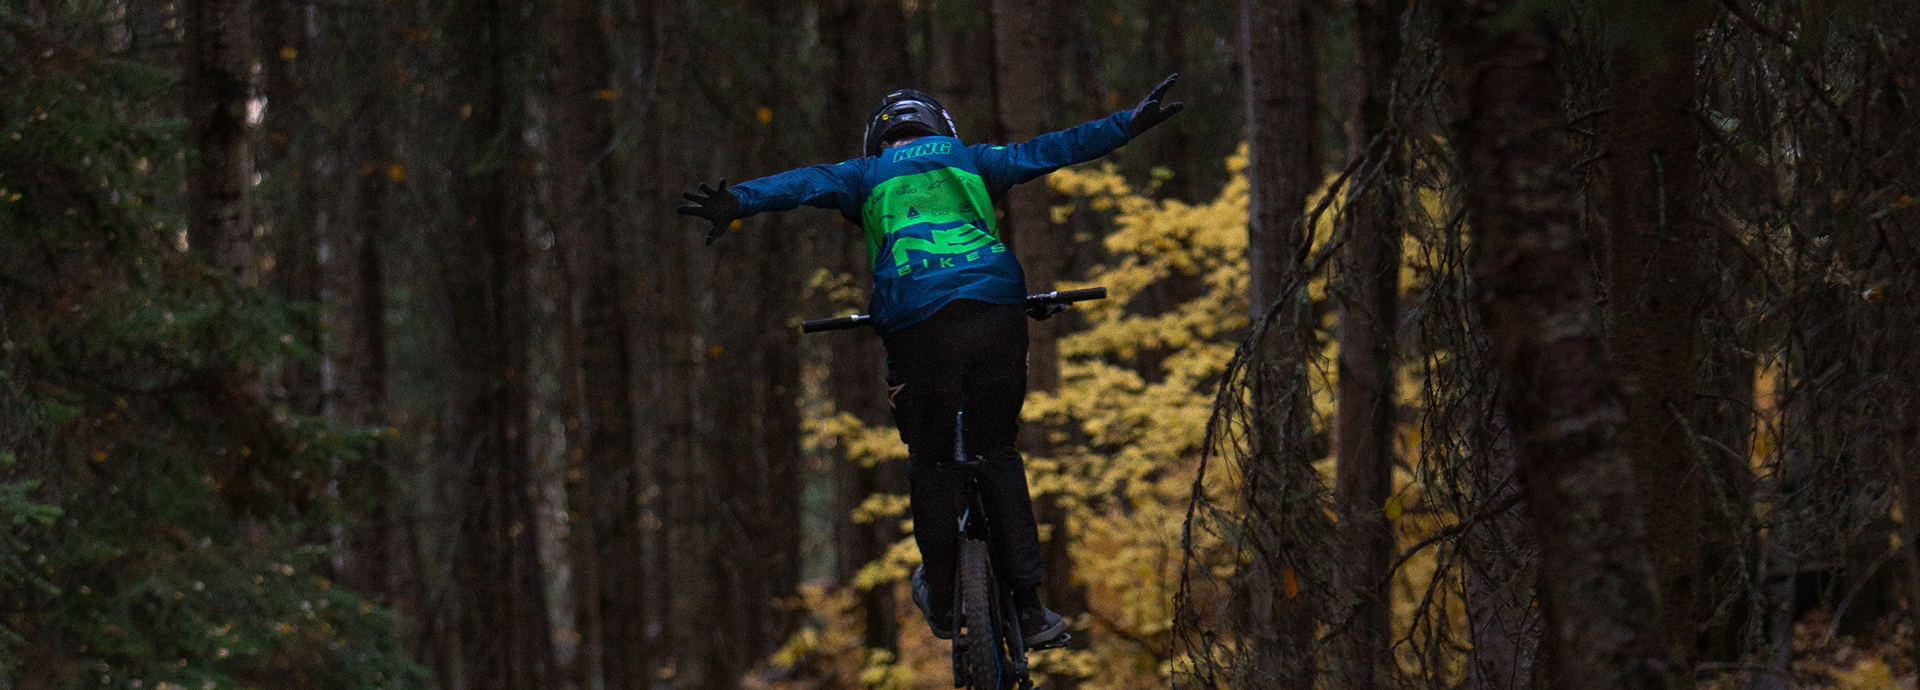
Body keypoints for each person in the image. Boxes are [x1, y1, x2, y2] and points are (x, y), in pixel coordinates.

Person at [678, 75, 1183, 647]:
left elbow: (799, 183)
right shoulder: (975, 161)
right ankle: (1031, 610)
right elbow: (1054, 149)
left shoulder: (864, 174)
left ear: (877, 140)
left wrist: (736, 201)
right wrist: (1128, 123)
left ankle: (943, 599)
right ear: (942, 128)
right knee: (998, 452)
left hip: (916, 319)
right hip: (996, 304)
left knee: (931, 460)